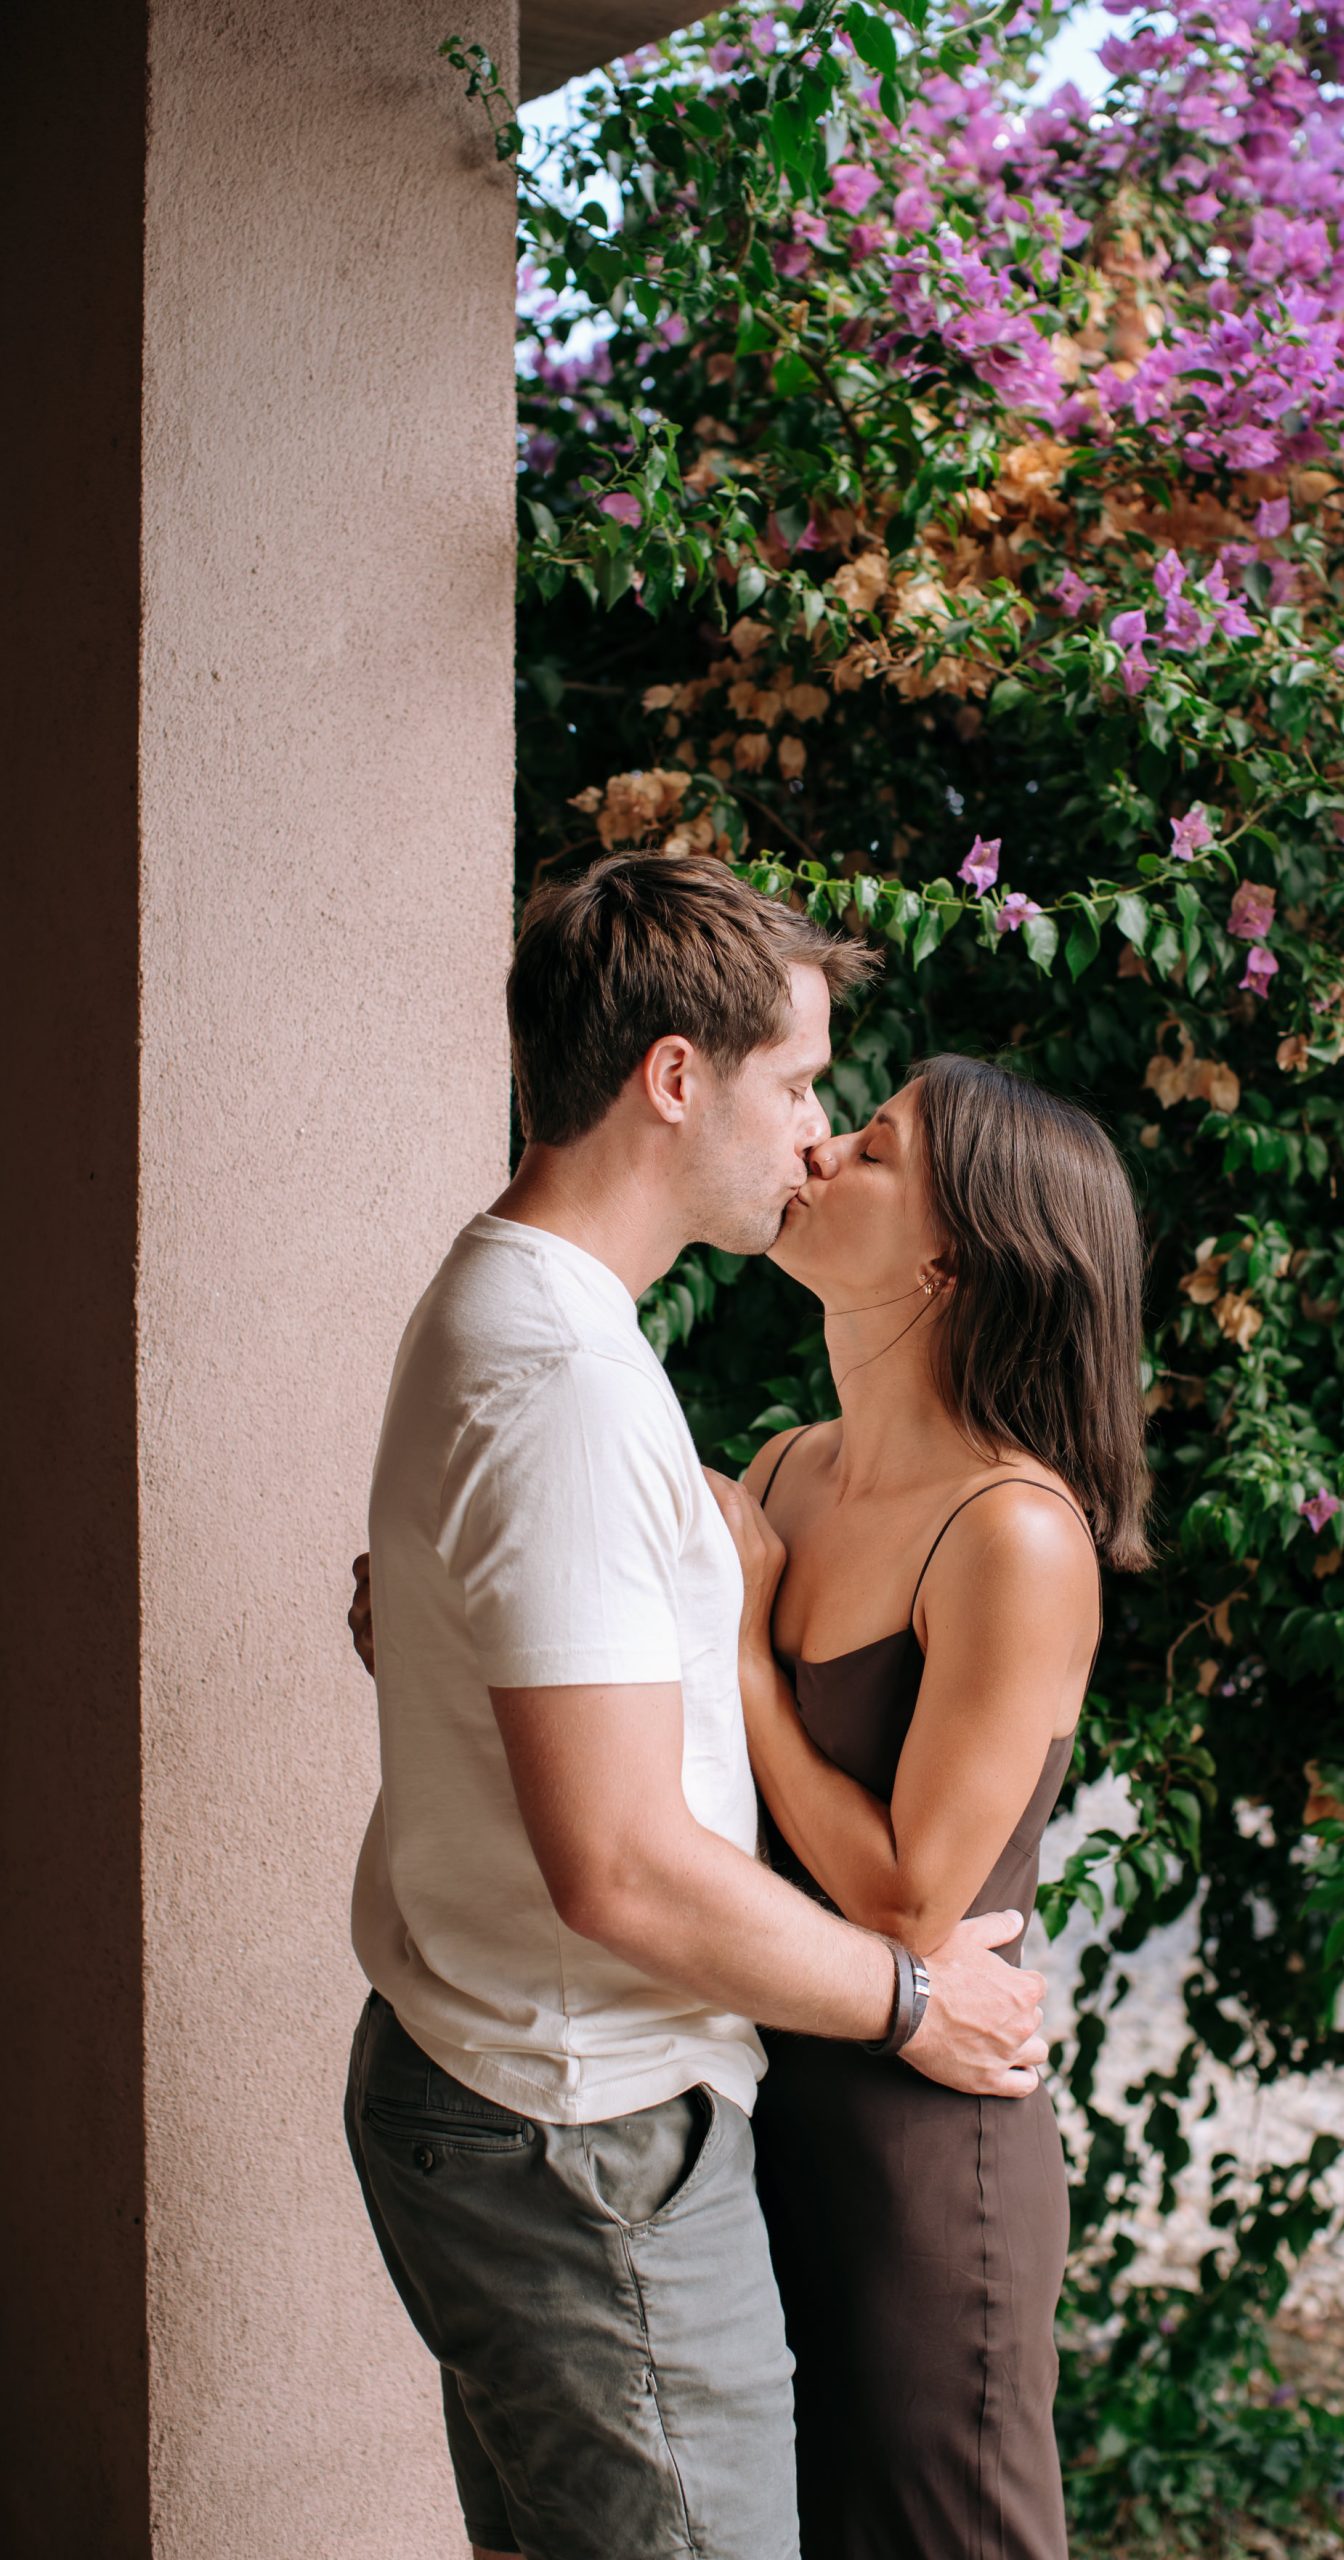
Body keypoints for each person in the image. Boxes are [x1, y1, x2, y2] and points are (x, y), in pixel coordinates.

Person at [342, 852, 1048, 2560]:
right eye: (797, 1084)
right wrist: (910, 2001)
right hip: (577, 2134)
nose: (815, 1135)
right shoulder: (567, 1378)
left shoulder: (524, 1308)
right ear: (674, 1078)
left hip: (517, 2094)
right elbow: (621, 1869)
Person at [706, 1052, 1151, 2560]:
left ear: (950, 1261)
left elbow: (907, 1898)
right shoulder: (789, 1466)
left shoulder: (1015, 1533)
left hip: (919, 2156)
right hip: (758, 2103)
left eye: (874, 1147)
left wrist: (749, 1664)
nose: (819, 1149)